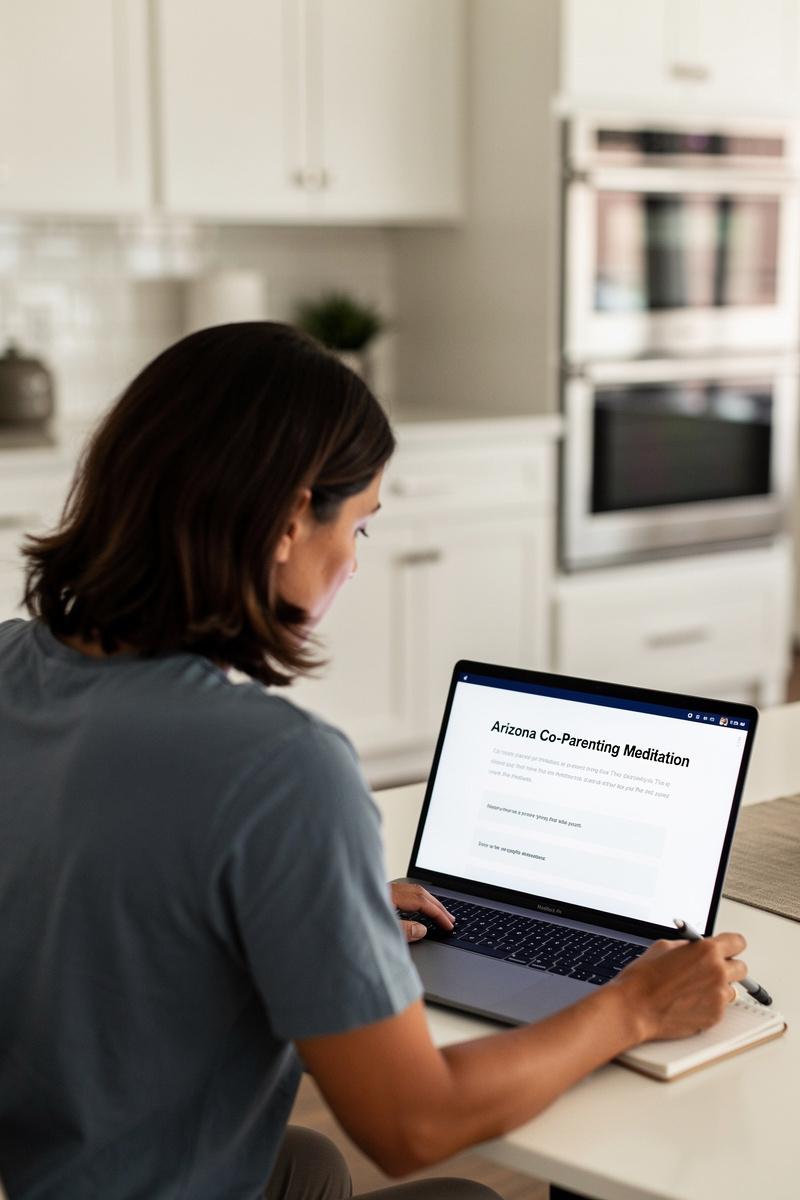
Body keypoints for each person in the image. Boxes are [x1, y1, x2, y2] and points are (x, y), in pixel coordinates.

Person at [0, 323, 748, 1200]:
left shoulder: (13, 662)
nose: (355, 562)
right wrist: (635, 1004)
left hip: (47, 1172)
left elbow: (99, 885)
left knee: (306, 1164)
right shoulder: (278, 768)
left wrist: (315, 904)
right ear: (288, 521)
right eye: (359, 524)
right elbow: (411, 1124)